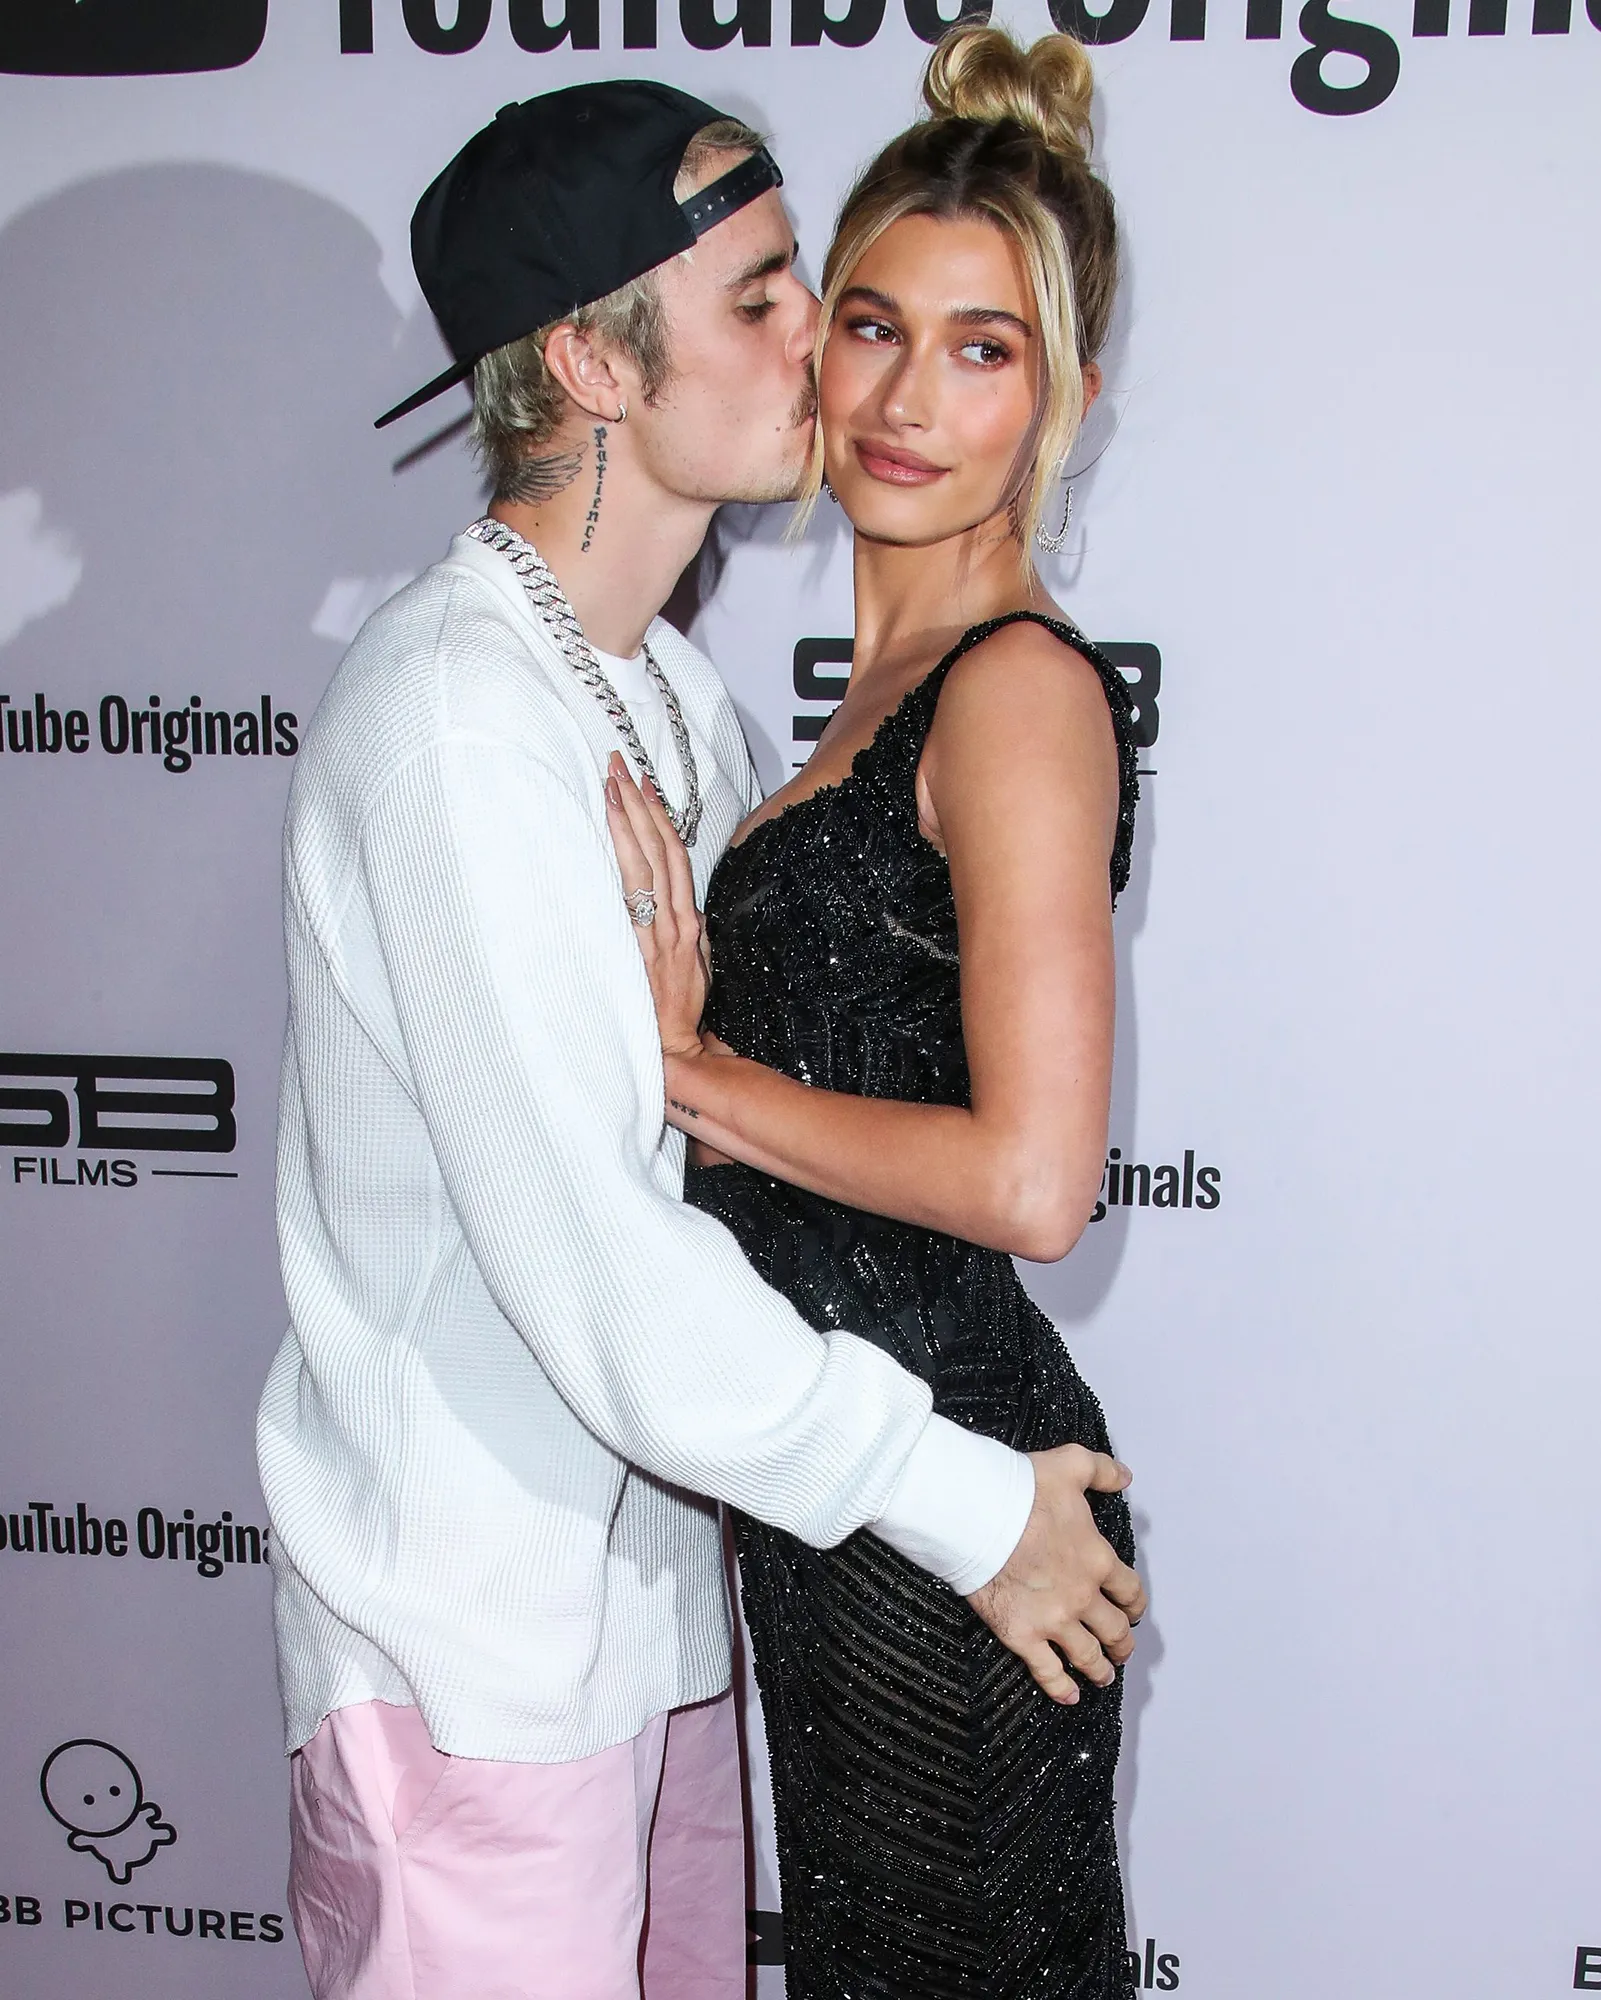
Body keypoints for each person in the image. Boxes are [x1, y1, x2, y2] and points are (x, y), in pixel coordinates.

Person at [256, 76, 1146, 2000]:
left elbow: (879, 1162)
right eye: (774, 299)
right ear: (591, 359)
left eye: (809, 288)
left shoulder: (671, 700)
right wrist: (962, 1501)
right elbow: (598, 1254)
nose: (825, 348)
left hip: (681, 1625)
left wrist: (701, 1084)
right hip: (486, 1663)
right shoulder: (457, 719)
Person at [601, 26, 1144, 1998]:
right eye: (873, 327)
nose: (910, 400)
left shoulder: (1015, 693)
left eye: (983, 349)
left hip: (956, 1506)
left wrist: (689, 1075)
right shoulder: (855, 710)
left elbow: (1033, 1180)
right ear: (813, 346)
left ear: (1062, 394)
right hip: (851, 1502)